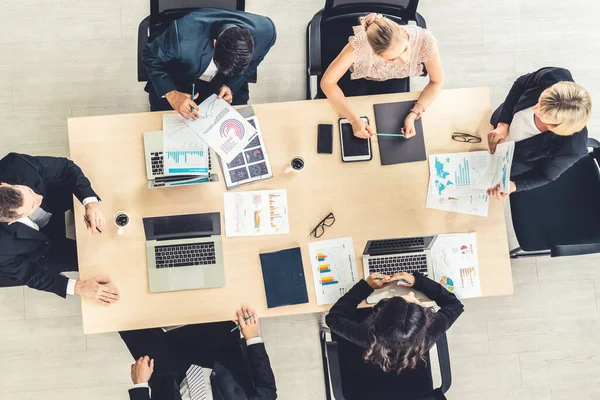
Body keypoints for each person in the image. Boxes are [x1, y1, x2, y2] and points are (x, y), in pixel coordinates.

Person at [0, 152, 119, 304]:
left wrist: (91, 204)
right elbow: (27, 274)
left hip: (55, 200)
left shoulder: (15, 164)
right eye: (32, 206)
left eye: (29, 191)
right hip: (39, 251)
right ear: (11, 221)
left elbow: (65, 167)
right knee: (102, 265)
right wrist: (77, 287)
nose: (39, 198)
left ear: (4, 185)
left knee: (109, 199)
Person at [320, 13, 444, 139]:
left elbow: (437, 81)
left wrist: (414, 113)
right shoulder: (361, 45)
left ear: (402, 30)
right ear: (374, 53)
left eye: (405, 49)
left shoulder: (425, 41)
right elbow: (327, 82)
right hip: (359, 79)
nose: (404, 60)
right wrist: (353, 120)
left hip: (395, 79)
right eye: (393, 59)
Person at [143, 8, 277, 118]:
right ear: (215, 43)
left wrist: (230, 85)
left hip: (223, 84)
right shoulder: (183, 38)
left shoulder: (266, 33)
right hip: (182, 76)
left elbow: (255, 62)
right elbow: (150, 55)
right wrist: (171, 94)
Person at [123, 305, 277, 400]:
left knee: (123, 316)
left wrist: (140, 385)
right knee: (211, 301)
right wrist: (253, 338)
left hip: (169, 377)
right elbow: (267, 391)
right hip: (219, 358)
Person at [325, 272, 463, 374]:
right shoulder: (431, 331)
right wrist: (418, 281)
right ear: (424, 322)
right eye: (415, 302)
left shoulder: (367, 335)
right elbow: (455, 305)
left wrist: (365, 287)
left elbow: (333, 318)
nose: (411, 294)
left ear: (378, 314)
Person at [487, 67, 592, 200]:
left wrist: (514, 186)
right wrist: (503, 123)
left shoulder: (571, 148)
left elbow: (545, 175)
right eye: (540, 101)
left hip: (508, 163)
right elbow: (520, 84)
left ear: (557, 127)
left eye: (543, 113)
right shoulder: (553, 76)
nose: (535, 108)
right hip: (495, 127)